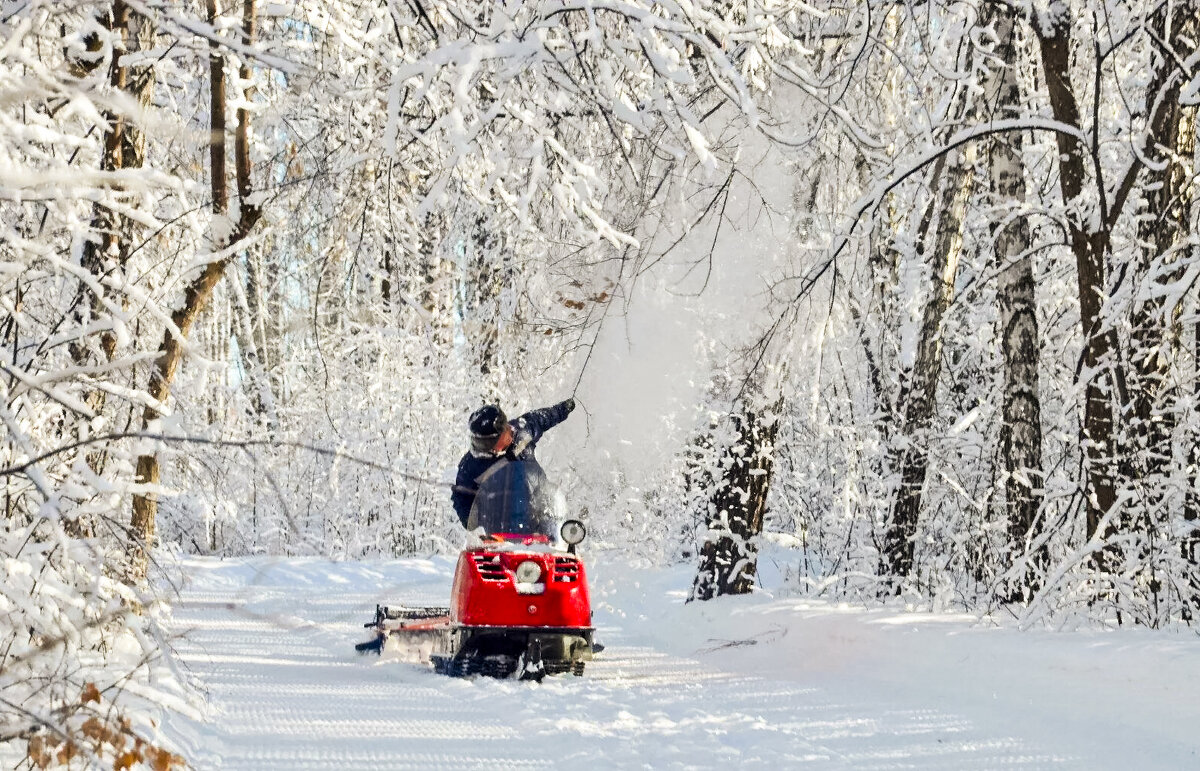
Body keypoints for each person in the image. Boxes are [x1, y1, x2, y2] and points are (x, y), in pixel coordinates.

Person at [451, 398, 575, 528]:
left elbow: (542, 418)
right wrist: (471, 521)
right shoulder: (472, 464)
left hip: (541, 511)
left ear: (504, 431)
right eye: (479, 443)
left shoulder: (523, 433)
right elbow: (461, 496)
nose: (484, 448)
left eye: (487, 443)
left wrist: (565, 407)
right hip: (501, 529)